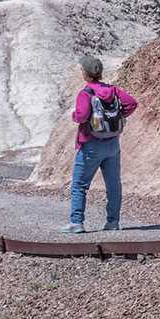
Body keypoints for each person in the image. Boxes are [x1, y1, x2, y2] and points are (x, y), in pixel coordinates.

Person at [62, 55, 138, 233]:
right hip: (112, 144)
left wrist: (74, 116)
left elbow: (81, 116)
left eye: (82, 69)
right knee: (113, 185)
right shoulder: (113, 90)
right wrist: (117, 117)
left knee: (79, 185)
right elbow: (132, 104)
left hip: (90, 144)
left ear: (86, 74)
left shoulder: (86, 93)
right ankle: (113, 222)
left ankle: (76, 223)